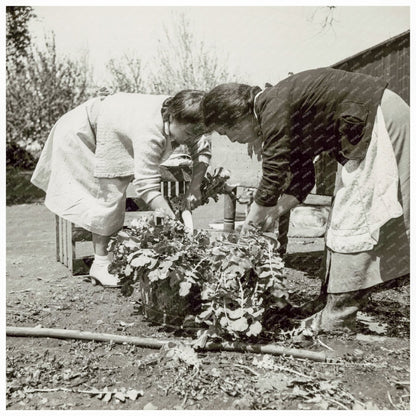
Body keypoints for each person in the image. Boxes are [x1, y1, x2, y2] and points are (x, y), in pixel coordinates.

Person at [202, 67, 409, 333]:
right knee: (342, 220)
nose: (231, 139)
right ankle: (330, 302)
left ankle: (338, 316)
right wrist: (274, 212)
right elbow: (302, 180)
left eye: (226, 131)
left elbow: (274, 170)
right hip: (374, 117)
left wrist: (251, 224)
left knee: (354, 217)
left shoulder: (271, 104)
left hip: (380, 118)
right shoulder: (278, 108)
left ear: (237, 116)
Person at [31, 90, 211, 288]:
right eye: (188, 134)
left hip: (109, 122)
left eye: (197, 133)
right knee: (108, 194)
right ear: (171, 117)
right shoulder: (149, 130)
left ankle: (104, 259)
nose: (192, 138)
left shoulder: (185, 116)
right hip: (80, 133)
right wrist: (173, 220)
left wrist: (194, 188)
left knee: (109, 192)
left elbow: (202, 147)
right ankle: (99, 265)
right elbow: (146, 185)